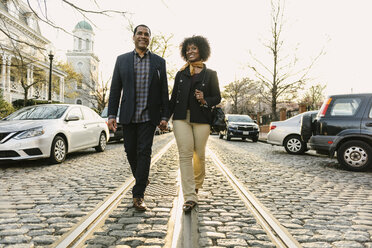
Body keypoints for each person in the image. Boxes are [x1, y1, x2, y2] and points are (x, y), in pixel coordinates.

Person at [107, 24, 169, 211]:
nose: (143, 36)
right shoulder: (122, 60)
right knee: (130, 151)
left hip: (149, 117)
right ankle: (142, 177)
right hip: (128, 116)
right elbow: (115, 89)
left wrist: (165, 116)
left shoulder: (159, 62)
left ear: (150, 38)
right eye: (140, 34)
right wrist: (111, 114)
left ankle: (138, 194)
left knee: (144, 152)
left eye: (146, 34)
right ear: (133, 37)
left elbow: (164, 91)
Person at [169, 35, 221, 212]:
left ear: (201, 51)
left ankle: (196, 185)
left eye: (194, 48)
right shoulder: (181, 73)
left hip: (202, 119)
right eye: (187, 49)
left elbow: (217, 97)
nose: (190, 51)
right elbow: (173, 98)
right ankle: (190, 196)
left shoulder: (210, 74)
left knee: (199, 154)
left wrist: (205, 99)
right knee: (185, 154)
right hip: (181, 118)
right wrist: (163, 118)